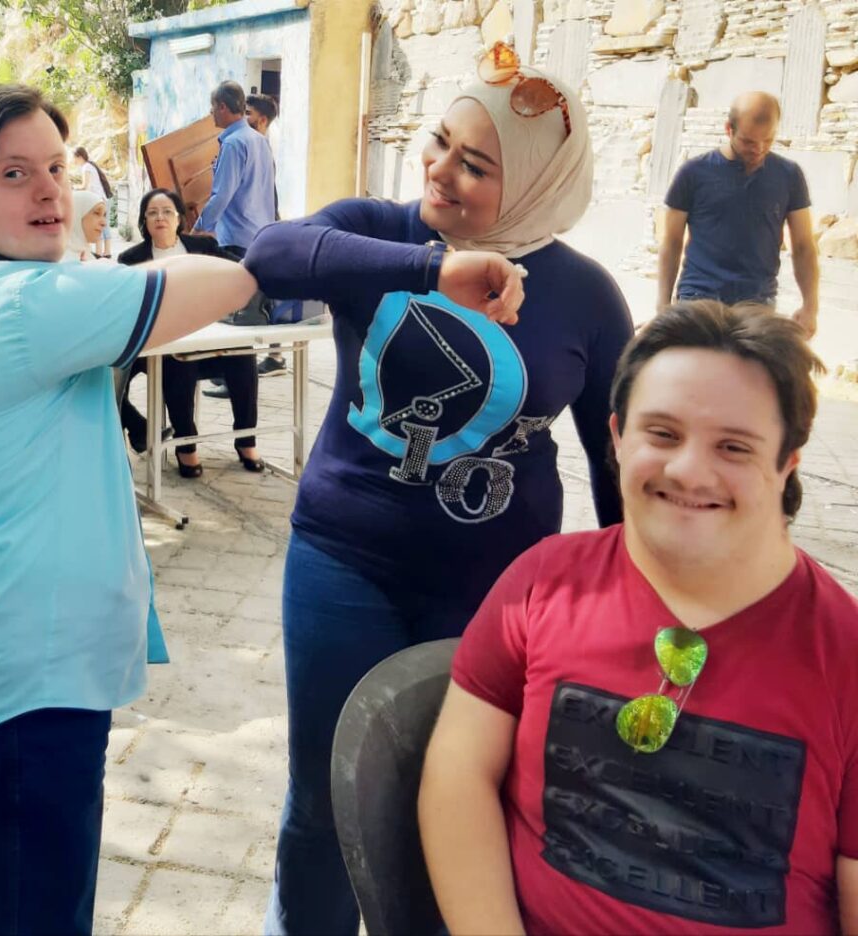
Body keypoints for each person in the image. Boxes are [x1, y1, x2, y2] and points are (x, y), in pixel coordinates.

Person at [244, 41, 634, 935]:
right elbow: (272, 253)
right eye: (440, 142)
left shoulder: (584, 296)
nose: (441, 170)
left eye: (477, 164)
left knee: (452, 808)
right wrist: (431, 267)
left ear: (535, 183)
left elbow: (616, 458)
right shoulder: (379, 231)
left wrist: (631, 599)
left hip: (495, 595)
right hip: (343, 563)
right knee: (322, 800)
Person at [0, 83, 256, 936]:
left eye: (56, 167)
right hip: (16, 696)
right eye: (15, 173)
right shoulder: (24, 306)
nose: (51, 190)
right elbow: (232, 277)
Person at [419, 300, 858, 935]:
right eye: (663, 434)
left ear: (786, 461)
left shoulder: (844, 652)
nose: (689, 471)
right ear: (619, 437)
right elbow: (459, 775)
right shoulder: (542, 582)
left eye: (734, 447)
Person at [117, 188, 264, 474]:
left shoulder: (203, 247)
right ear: (144, 221)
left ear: (179, 219)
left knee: (243, 354)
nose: (160, 218)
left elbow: (238, 269)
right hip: (161, 344)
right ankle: (187, 445)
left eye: (167, 212)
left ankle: (246, 440)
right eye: (152, 213)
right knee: (177, 363)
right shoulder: (131, 259)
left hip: (209, 336)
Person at [657, 92, 819, 338]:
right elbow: (671, 241)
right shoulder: (693, 173)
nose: (759, 149)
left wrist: (810, 306)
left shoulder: (789, 175)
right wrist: (662, 303)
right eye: (748, 142)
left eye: (768, 140)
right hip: (699, 300)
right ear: (729, 129)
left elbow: (804, 245)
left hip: (758, 303)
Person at [196, 80, 276, 401]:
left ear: (223, 107)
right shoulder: (259, 140)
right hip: (259, 233)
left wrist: (200, 229)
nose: (211, 114)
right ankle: (233, 378)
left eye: (212, 107)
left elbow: (222, 194)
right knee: (244, 310)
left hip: (236, 236)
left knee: (233, 313)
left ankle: (232, 380)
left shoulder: (233, 143)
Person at [244, 92, 287, 380]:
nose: (243, 117)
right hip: (265, 227)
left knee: (264, 294)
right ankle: (274, 355)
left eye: (247, 113)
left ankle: (271, 356)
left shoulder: (258, 147)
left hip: (262, 229)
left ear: (261, 120)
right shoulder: (258, 145)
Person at [72, 145, 113, 258]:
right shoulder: (90, 165)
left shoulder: (86, 167)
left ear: (79, 157)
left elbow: (84, 186)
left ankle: (99, 253)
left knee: (97, 224)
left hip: (97, 201)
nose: (74, 161)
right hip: (102, 199)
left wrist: (74, 187)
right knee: (104, 225)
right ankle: (107, 252)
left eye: (74, 158)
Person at [64, 189, 107, 261]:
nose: (104, 223)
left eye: (104, 215)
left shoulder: (86, 255)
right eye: (97, 213)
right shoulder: (61, 260)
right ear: (76, 214)